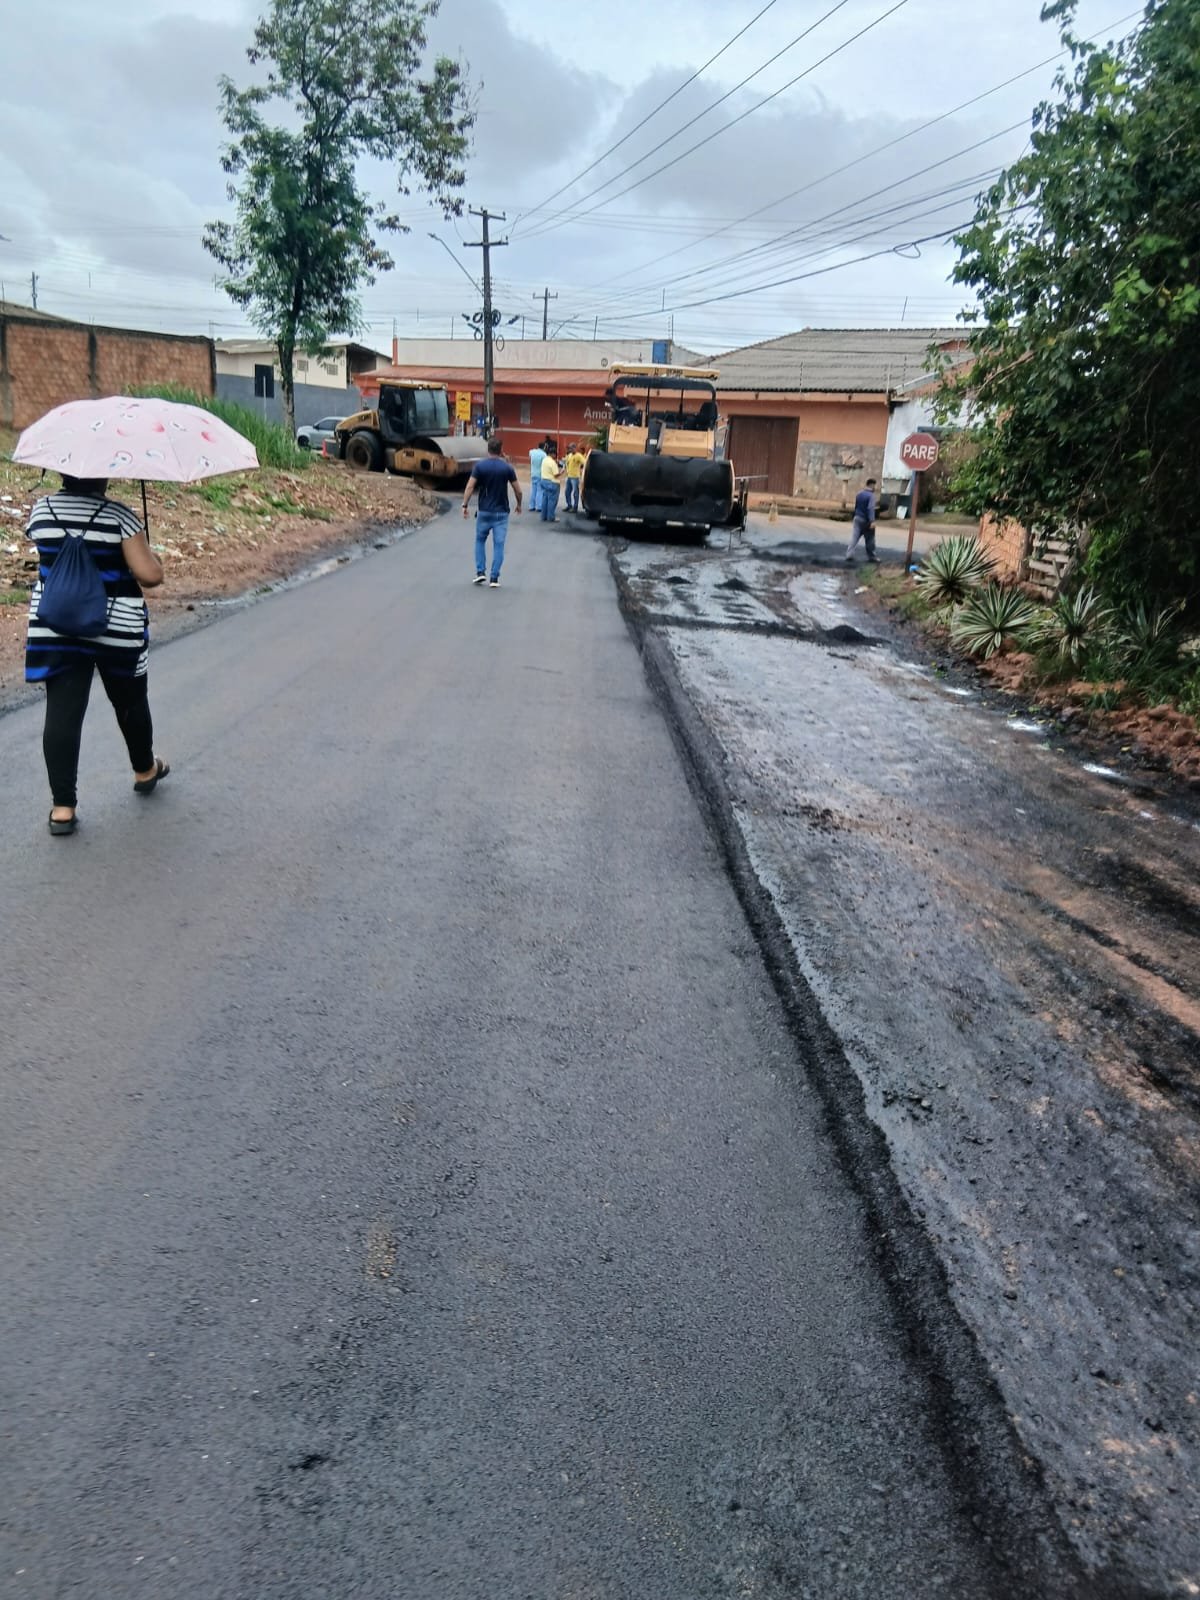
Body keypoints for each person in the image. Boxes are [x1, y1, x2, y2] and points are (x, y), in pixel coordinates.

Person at [25, 475, 168, 836]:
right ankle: (144, 769)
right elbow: (149, 575)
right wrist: (153, 557)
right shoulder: (119, 515)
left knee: (62, 712)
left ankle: (62, 808)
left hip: (56, 627)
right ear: (102, 476)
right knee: (130, 701)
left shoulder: (42, 510)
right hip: (114, 628)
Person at [463, 436, 522, 586]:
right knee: (499, 545)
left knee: (480, 540)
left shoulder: (480, 467)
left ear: (488, 449)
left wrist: (465, 505)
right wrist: (519, 504)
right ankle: (494, 578)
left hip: (484, 511)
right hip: (501, 513)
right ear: (501, 450)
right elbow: (518, 490)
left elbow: (470, 487)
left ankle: (480, 572)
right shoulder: (507, 468)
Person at [845, 477, 880, 565]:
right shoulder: (871, 496)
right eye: (874, 486)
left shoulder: (859, 494)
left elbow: (856, 506)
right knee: (870, 539)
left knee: (855, 537)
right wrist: (872, 521)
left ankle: (849, 554)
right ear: (872, 485)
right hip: (866, 520)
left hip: (857, 518)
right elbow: (870, 508)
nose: (875, 487)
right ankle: (871, 556)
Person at [539, 450, 563, 522]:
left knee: (545, 500)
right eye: (555, 455)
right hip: (552, 483)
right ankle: (551, 517)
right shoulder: (552, 462)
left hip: (544, 481)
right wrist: (561, 472)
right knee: (552, 501)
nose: (556, 456)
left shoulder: (544, 460)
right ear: (552, 454)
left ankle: (543, 516)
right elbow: (556, 475)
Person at [563, 443, 586, 512]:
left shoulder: (579, 456)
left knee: (575, 493)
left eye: (572, 448)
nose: (570, 449)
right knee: (567, 492)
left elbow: (584, 462)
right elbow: (566, 462)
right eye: (569, 448)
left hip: (575, 477)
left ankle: (575, 507)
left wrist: (582, 472)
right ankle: (569, 505)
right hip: (569, 476)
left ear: (575, 448)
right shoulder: (569, 455)